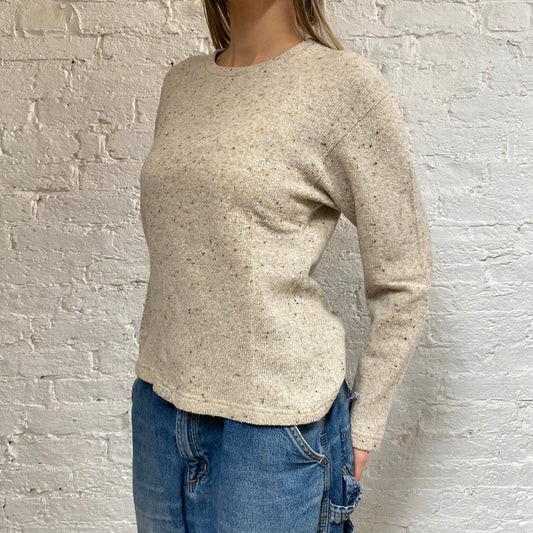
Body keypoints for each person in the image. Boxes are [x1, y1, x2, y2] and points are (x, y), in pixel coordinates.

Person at [130, 0, 433, 531]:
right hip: (160, 406)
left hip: (276, 426)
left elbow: (403, 276)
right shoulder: (182, 84)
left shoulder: (344, 87)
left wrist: (364, 428)